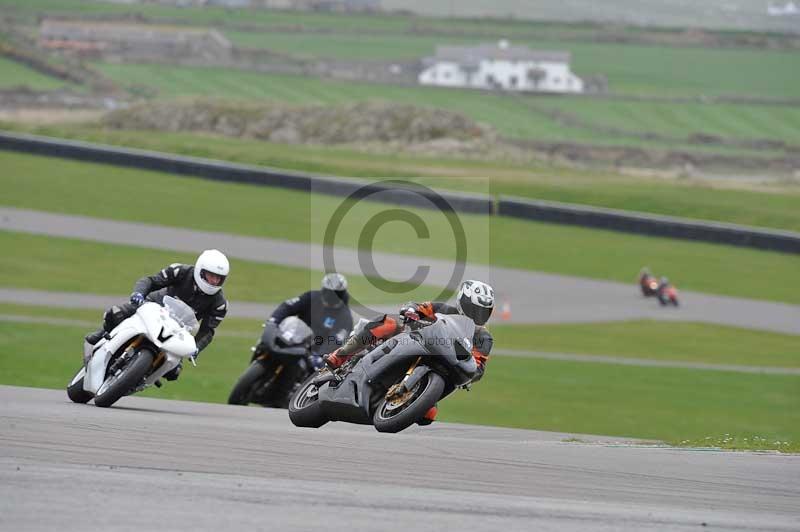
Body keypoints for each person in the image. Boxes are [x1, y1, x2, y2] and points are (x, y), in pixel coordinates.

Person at [324, 279, 495, 426]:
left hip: (444, 364)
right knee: (387, 324)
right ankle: (340, 356)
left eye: (483, 312)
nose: (478, 315)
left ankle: (402, 402)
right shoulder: (443, 309)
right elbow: (418, 306)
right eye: (473, 309)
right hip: (413, 340)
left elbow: (478, 366)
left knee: (429, 414)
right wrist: (411, 311)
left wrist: (471, 375)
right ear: (462, 302)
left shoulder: (484, 338)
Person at [83, 249, 230, 381]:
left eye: (219, 278)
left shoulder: (220, 304)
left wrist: (197, 347)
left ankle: (143, 376)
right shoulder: (180, 271)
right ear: (200, 271)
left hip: (179, 329)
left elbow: (208, 331)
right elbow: (150, 281)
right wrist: (139, 294)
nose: (214, 281)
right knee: (116, 313)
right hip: (153, 307)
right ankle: (101, 334)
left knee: (174, 372)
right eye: (211, 276)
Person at [265, 273, 354, 361]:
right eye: (328, 292)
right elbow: (288, 306)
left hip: (311, 354)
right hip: (293, 337)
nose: (331, 296)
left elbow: (335, 340)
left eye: (336, 294)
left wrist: (319, 356)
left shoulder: (345, 317)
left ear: (342, 294)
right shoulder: (311, 297)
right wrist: (273, 322)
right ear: (323, 290)